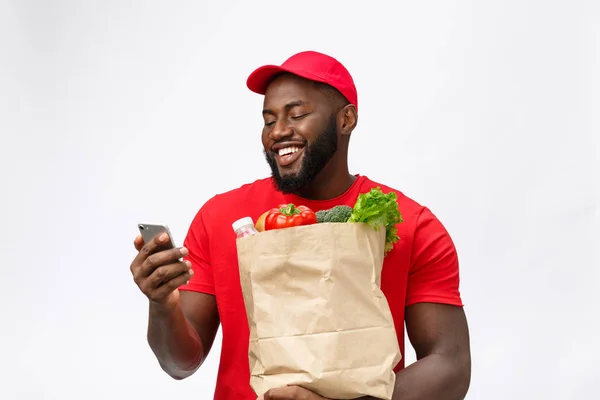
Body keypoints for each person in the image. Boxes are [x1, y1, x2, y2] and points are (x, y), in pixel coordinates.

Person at [129, 50, 471, 400]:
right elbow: (181, 364)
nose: (278, 131)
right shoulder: (220, 217)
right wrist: (163, 305)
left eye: (297, 114)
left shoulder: (410, 224)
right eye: (268, 120)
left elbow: (451, 364)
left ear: (346, 119)